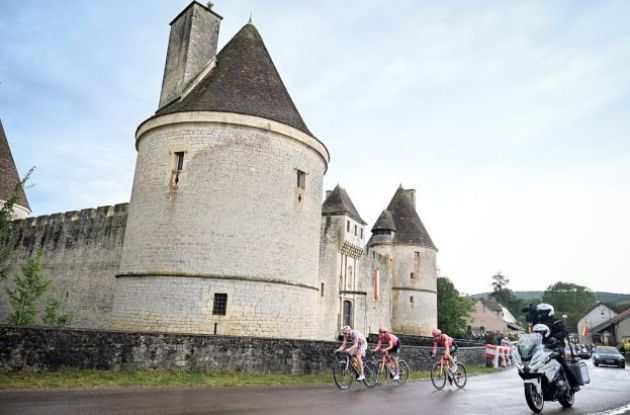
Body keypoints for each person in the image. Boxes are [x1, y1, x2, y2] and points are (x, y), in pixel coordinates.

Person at [529, 303, 579, 391]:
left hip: (556, 346)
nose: (542, 314)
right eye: (540, 312)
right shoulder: (538, 323)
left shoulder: (557, 322)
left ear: (550, 312)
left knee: (562, 362)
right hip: (542, 347)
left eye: (544, 312)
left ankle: (574, 383)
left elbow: (565, 331)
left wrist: (555, 337)